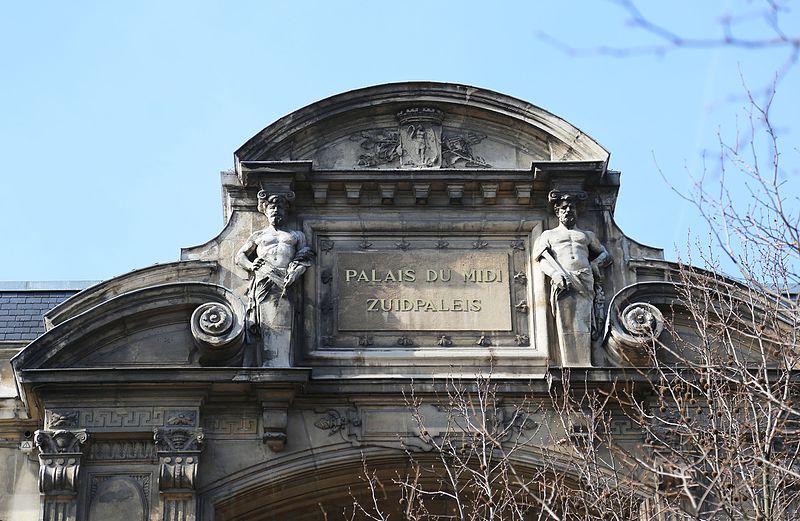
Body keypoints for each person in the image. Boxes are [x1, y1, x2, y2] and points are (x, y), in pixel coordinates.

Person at [235, 191, 314, 367]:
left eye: (279, 208)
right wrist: (251, 266)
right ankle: (269, 362)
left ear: (286, 211)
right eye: (272, 207)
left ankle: (280, 361)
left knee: (285, 320)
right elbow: (239, 256)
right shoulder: (259, 235)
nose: (276, 211)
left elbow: (305, 257)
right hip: (265, 278)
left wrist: (297, 271)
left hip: (286, 279)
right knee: (266, 321)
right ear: (265, 210)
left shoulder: (296, 235)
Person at [532, 192, 611, 366]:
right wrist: (555, 274)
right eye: (564, 208)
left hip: (585, 278)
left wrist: (595, 264)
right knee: (566, 322)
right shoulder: (548, 235)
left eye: (571, 207)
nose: (568, 211)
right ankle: (571, 364)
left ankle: (584, 364)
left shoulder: (586, 235)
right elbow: (542, 259)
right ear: (557, 212)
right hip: (564, 280)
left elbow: (605, 254)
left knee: (584, 322)